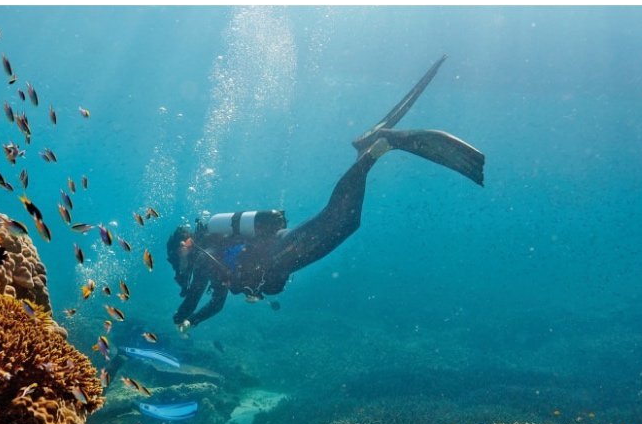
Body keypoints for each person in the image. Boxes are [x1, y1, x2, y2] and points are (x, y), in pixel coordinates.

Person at [167, 56, 484, 329]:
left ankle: (376, 147)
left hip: (282, 251)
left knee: (339, 219)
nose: (177, 264)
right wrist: (191, 321)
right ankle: (371, 152)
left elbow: (196, 296)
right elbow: (215, 303)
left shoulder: (206, 257)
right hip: (284, 256)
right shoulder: (210, 259)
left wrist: (181, 315)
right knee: (347, 222)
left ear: (186, 244)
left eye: (175, 256)